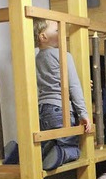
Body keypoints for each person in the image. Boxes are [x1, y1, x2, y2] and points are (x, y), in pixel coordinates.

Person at [33, 18, 92, 170]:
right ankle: (60, 153)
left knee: (49, 142)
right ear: (43, 37)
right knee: (73, 148)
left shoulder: (36, 59)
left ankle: (16, 153)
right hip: (61, 110)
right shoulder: (63, 55)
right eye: (58, 30)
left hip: (43, 111)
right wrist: (84, 114)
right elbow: (73, 86)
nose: (63, 33)